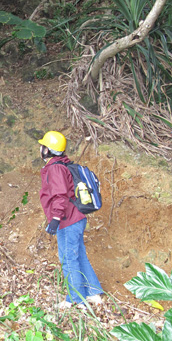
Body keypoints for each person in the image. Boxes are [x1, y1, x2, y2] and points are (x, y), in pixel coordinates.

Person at [38, 131, 103, 308]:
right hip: (77, 217)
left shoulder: (55, 168)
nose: (40, 149)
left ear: (48, 150)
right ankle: (93, 292)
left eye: (43, 146)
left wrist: (55, 219)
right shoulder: (63, 165)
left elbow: (60, 196)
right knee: (79, 254)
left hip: (68, 219)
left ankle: (76, 299)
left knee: (68, 258)